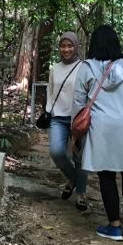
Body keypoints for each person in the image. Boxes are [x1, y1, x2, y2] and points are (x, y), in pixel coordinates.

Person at [72, 24, 123, 241]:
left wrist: (75, 133)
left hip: (102, 127)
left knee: (106, 173)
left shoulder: (86, 68)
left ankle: (114, 225)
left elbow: (78, 102)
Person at [46, 32, 87, 211]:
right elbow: (51, 91)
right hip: (58, 117)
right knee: (56, 152)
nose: (66, 49)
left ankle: (81, 194)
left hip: (78, 119)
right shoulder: (55, 68)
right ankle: (73, 179)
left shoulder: (84, 67)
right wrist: (49, 111)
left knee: (80, 157)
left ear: (77, 46)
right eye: (63, 46)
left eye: (70, 46)